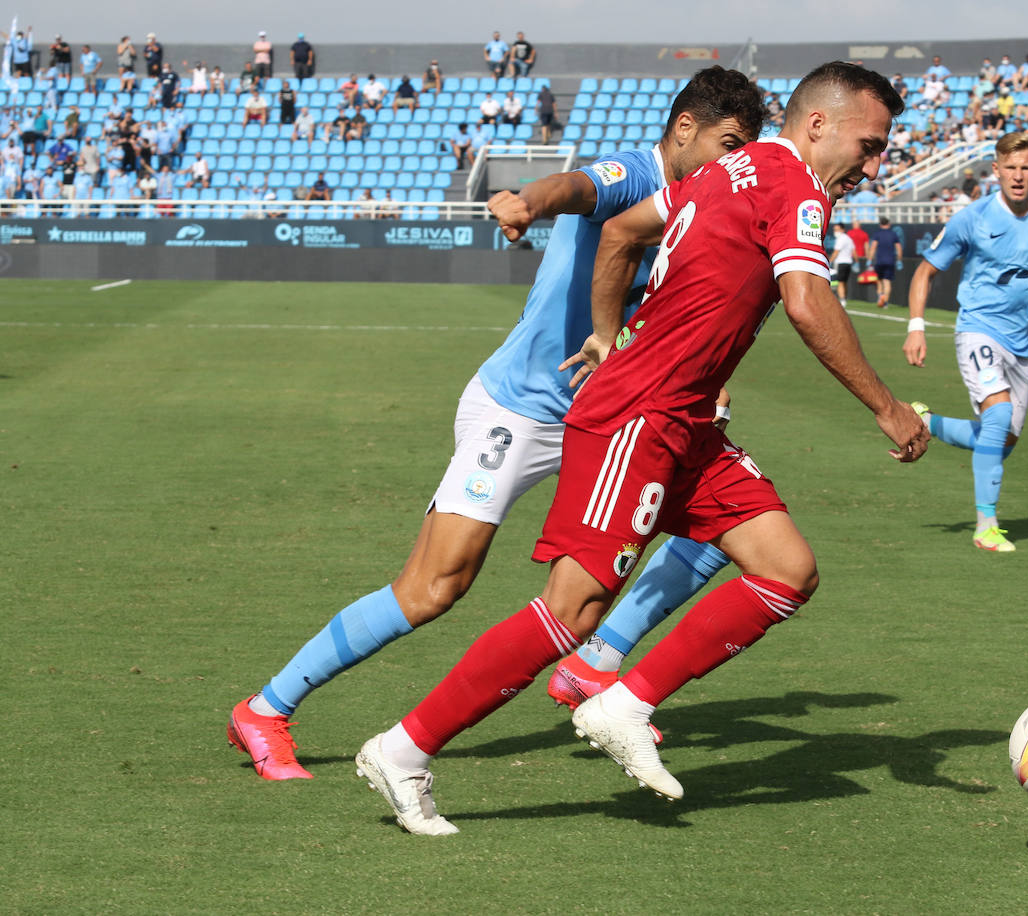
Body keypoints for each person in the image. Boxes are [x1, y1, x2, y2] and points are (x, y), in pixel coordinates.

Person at [348, 61, 926, 834]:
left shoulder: (733, 168)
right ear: (818, 124)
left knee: (786, 570)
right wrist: (887, 408)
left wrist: (607, 333)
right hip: (641, 417)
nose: (873, 162)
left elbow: (622, 231)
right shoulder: (794, 186)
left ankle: (625, 702)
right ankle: (404, 750)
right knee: (573, 610)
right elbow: (806, 299)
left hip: (684, 420)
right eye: (871, 142)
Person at [226, 66, 768, 789]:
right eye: (728, 142)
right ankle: (266, 708)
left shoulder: (715, 202)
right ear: (684, 129)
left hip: (620, 421)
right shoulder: (639, 175)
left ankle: (593, 667)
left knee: (727, 531)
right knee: (434, 586)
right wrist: (526, 201)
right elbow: (576, 189)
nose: (736, 160)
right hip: (526, 410)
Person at [902, 130, 1028, 553]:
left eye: (1027, 167)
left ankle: (924, 422)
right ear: (996, 170)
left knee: (1001, 440)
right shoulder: (974, 217)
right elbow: (925, 272)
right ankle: (986, 524)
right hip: (978, 329)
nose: (1019, 176)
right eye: (1011, 168)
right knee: (999, 413)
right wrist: (917, 325)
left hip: (1025, 343)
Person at [866, 215, 903, 307]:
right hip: (890, 261)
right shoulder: (893, 234)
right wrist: (899, 260)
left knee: (879, 280)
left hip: (879, 261)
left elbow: (873, 247)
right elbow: (899, 248)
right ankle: (885, 302)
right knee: (887, 281)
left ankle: (880, 297)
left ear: (880, 224)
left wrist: (870, 259)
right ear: (889, 224)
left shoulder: (877, 234)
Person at [829, 221, 856, 306]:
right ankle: (844, 298)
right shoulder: (848, 238)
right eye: (834, 230)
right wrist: (857, 261)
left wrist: (829, 261)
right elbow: (854, 251)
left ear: (842, 229)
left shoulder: (841, 239)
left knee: (840, 282)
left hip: (841, 262)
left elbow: (836, 252)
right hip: (848, 262)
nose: (835, 232)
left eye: (837, 230)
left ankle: (842, 300)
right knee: (844, 281)